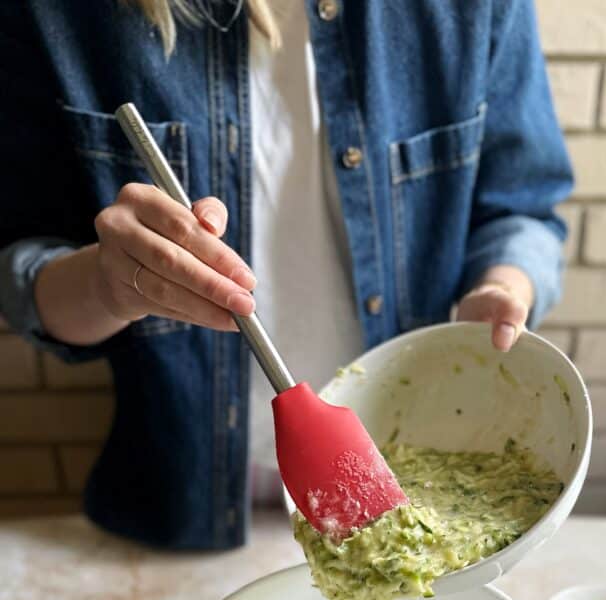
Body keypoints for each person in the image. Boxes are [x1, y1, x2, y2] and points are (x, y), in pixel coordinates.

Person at [0, 0, 572, 549]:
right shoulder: (62, 11)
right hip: (190, 492)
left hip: (408, 475)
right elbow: (22, 278)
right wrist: (109, 284)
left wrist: (503, 284)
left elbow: (523, 207)